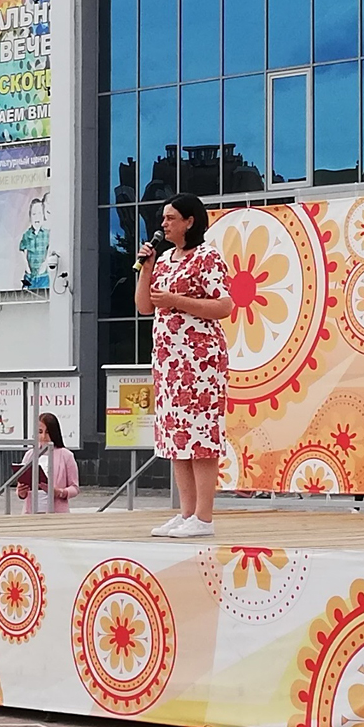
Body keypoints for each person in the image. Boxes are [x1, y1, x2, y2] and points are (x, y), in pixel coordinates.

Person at [135, 193, 233, 538]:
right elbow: (144, 307)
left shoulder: (207, 257)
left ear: (190, 222)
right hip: (169, 363)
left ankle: (203, 517)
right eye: (163, 218)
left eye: (171, 218)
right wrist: (147, 267)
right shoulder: (164, 260)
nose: (164, 224)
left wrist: (177, 301)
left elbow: (224, 306)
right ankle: (186, 512)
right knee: (176, 436)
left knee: (201, 435)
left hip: (200, 362)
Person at [17, 412, 79, 513]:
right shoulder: (30, 455)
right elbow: (21, 487)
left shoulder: (66, 455)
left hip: (56, 513)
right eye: (40, 432)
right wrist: (21, 492)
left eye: (48, 432)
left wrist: (59, 492)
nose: (43, 436)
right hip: (31, 512)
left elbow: (75, 488)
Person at [20, 198, 49, 289]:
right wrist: (27, 267)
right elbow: (22, 250)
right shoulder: (26, 234)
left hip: (43, 275)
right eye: (34, 214)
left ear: (43, 216)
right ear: (30, 217)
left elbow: (50, 249)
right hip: (30, 276)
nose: (37, 217)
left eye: (39, 213)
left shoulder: (47, 234)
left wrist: (45, 264)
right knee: (27, 294)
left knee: (44, 294)